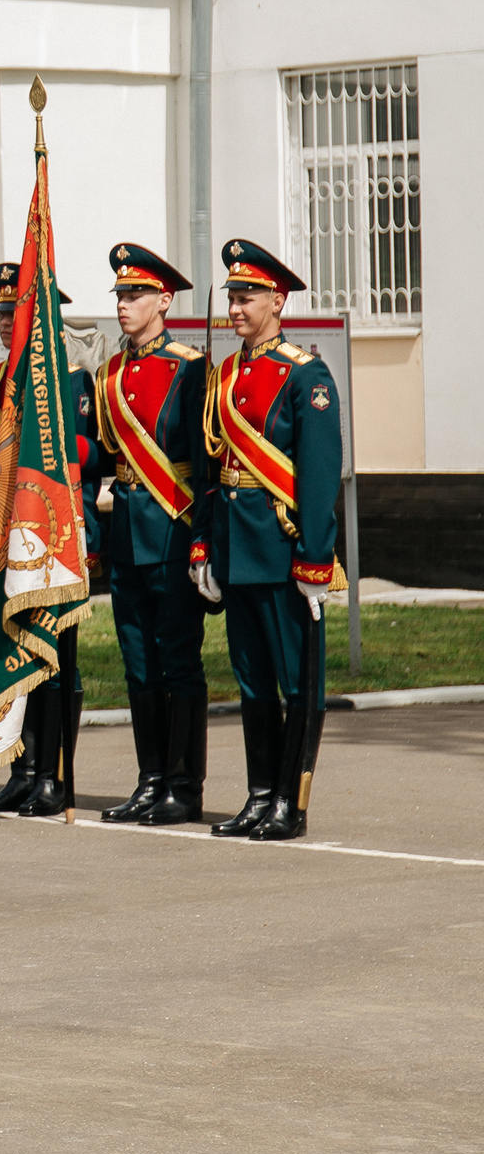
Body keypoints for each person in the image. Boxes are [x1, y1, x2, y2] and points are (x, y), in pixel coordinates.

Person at [196, 240, 342, 842]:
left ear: (277, 300)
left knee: (296, 683)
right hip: (237, 549)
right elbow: (214, 472)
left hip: (284, 555)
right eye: (231, 295)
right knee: (252, 682)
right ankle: (260, 795)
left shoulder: (305, 375)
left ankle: (292, 802)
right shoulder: (226, 374)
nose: (235, 306)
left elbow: (317, 475)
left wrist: (314, 557)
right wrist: (205, 547)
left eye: (247, 295)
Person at [0, 262, 100, 817]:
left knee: (54, 660)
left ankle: (54, 776)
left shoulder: (68, 380)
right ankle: (23, 770)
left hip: (50, 540)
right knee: (14, 657)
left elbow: (83, 463)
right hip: (0, 539)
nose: (2, 322)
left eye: (14, 312)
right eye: (0, 312)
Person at [92, 244, 216, 827]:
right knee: (137, 662)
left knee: (177, 661)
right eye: (119, 295)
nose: (123, 305)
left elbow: (207, 463)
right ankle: (150, 780)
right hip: (127, 534)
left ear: (164, 300)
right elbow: (102, 453)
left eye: (135, 294)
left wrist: (203, 542)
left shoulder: (190, 369)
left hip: (173, 528)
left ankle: (184, 785)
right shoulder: (108, 374)